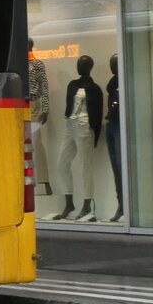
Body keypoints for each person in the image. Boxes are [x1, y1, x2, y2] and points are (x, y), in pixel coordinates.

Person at [48, 54, 103, 221]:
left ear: (89, 67)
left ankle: (87, 203)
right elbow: (68, 105)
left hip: (85, 125)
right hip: (70, 124)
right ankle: (69, 202)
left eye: (83, 64)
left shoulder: (95, 88)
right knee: (61, 164)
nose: (80, 66)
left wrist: (96, 134)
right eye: (79, 63)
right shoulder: (73, 84)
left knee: (85, 165)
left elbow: (98, 113)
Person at [28, 39, 51, 194]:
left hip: (33, 104)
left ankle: (44, 180)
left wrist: (46, 108)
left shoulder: (37, 65)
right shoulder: (17, 64)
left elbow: (44, 86)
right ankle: (29, 182)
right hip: (18, 105)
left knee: (36, 142)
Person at [106, 53, 123, 222]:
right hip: (111, 125)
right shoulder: (112, 83)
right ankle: (121, 204)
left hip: (120, 126)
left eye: (115, 63)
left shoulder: (124, 81)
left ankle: (125, 205)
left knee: (121, 167)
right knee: (115, 168)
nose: (112, 66)